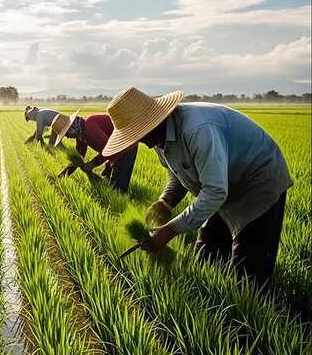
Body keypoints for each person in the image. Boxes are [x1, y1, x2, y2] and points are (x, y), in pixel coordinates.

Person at [103, 87, 292, 285]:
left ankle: (250, 309)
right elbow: (178, 172)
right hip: (223, 184)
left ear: (155, 120)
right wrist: (166, 200)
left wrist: (169, 230)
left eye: (140, 133)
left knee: (247, 269)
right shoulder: (158, 139)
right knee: (207, 254)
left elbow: (215, 191)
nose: (141, 141)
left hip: (258, 178)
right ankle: (210, 297)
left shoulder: (197, 129)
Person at [53, 110, 138, 193]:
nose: (67, 137)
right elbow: (80, 154)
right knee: (106, 180)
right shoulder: (81, 130)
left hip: (126, 147)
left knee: (117, 190)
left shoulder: (89, 127)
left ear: (70, 128)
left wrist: (93, 163)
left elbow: (109, 150)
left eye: (66, 134)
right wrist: (63, 175)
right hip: (116, 149)